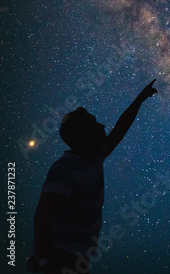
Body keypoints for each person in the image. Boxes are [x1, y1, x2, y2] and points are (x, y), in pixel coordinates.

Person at [26, 79, 158, 274]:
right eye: (95, 123)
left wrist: (140, 99)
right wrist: (46, 259)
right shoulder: (65, 168)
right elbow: (42, 215)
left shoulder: (95, 158)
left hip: (76, 260)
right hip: (57, 259)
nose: (103, 125)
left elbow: (120, 129)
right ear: (84, 133)